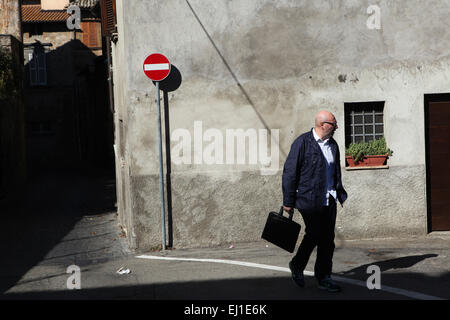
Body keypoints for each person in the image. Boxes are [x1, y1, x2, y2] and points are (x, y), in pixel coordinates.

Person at [282, 110, 348, 292]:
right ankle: (297, 264)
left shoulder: (333, 145)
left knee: (327, 239)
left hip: (329, 199)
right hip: (308, 199)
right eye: (334, 124)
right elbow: (289, 172)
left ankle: (324, 277)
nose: (336, 128)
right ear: (323, 125)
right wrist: (288, 201)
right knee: (315, 233)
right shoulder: (302, 143)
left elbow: (335, 172)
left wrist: (339, 193)